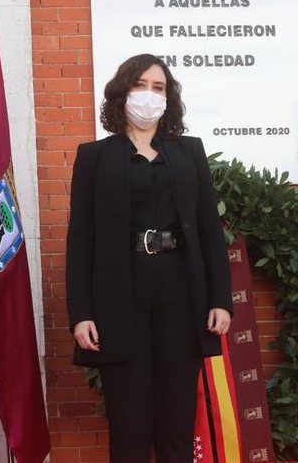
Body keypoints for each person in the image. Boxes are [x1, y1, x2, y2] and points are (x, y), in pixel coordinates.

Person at [66, 54, 233, 462]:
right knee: (129, 431)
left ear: (169, 98)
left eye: (158, 88)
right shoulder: (94, 157)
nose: (149, 95)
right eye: (141, 85)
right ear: (123, 92)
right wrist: (81, 312)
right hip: (118, 302)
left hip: (181, 295)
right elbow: (81, 240)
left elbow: (209, 230)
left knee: (177, 427)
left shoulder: (189, 152)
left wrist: (220, 299)